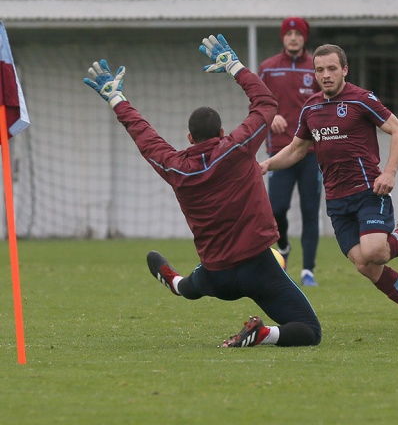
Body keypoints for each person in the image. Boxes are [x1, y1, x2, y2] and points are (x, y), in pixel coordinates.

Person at [83, 34, 321, 348]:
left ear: (189, 138)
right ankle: (264, 335)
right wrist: (235, 67)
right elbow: (266, 103)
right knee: (309, 331)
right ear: (222, 132)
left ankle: (174, 281)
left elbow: (145, 138)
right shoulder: (237, 147)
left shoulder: (175, 166)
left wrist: (117, 100)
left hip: (216, 273)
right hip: (258, 266)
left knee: (188, 287)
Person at [260, 44, 398, 331]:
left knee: (375, 253)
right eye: (319, 70)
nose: (326, 75)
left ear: (345, 69)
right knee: (365, 265)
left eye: (332, 68)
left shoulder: (361, 99)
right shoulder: (311, 108)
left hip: (369, 191)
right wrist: (266, 164)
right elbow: (297, 149)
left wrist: (390, 173)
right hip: (336, 200)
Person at [258, 17, 322, 287]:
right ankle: (283, 246)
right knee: (277, 209)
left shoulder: (316, 67)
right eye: (289, 33)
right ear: (283, 37)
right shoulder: (268, 68)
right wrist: (270, 117)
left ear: (304, 37)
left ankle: (308, 270)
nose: (293, 37)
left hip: (312, 153)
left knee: (310, 211)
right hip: (280, 151)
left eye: (298, 33)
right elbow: (258, 102)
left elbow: (328, 100)